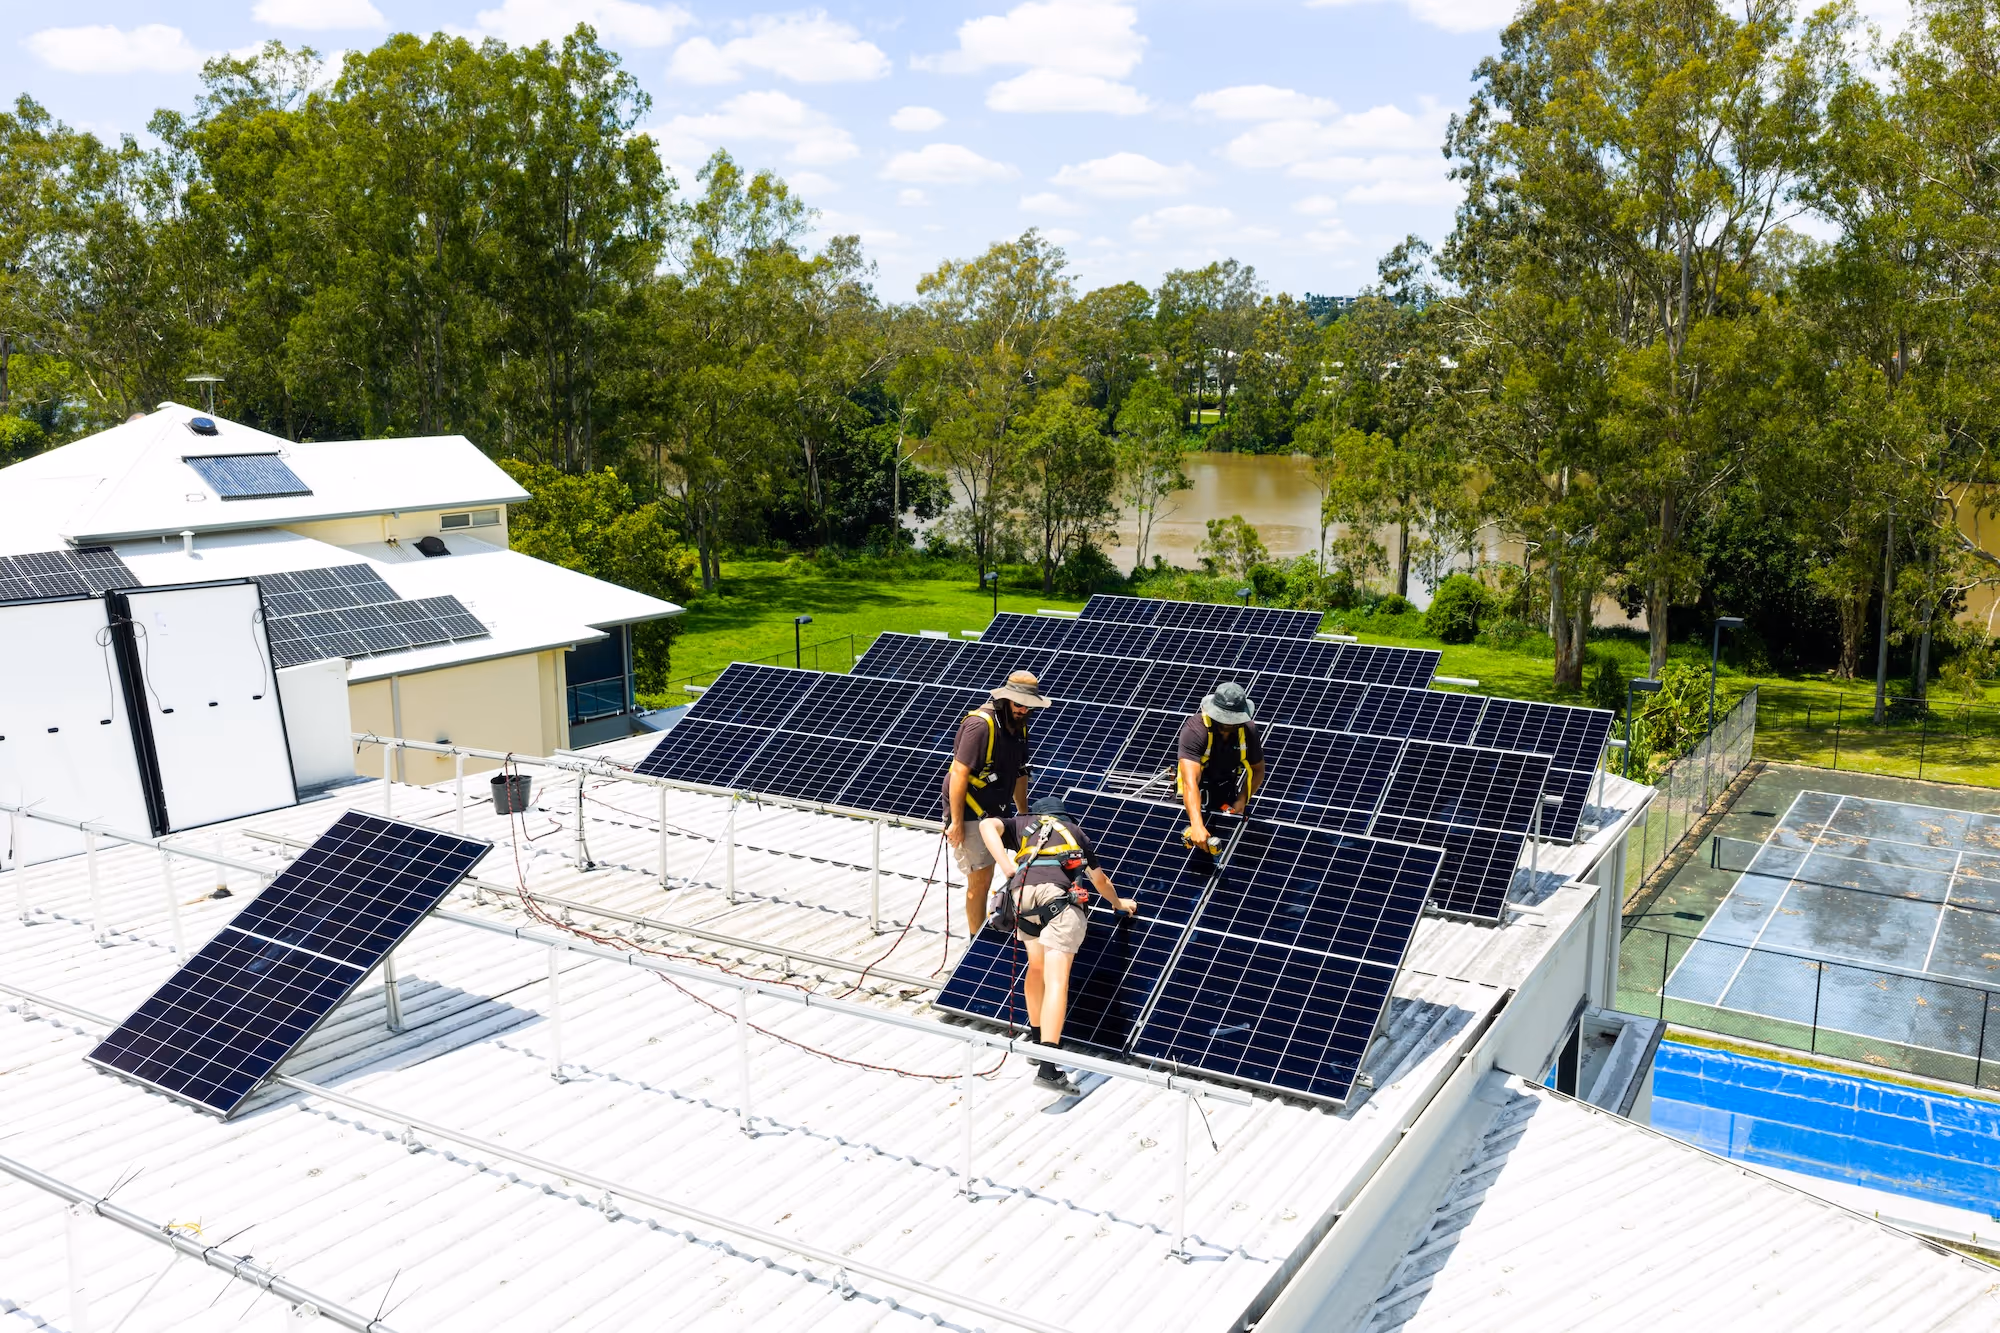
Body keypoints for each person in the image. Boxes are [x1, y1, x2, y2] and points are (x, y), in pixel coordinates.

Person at [978, 796, 1136, 1095]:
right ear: (1063, 816)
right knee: (1057, 981)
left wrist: (1007, 868)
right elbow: (1099, 880)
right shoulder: (1075, 832)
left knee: (1036, 969)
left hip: (1020, 898)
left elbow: (987, 824)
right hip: (1057, 900)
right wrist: (1118, 904)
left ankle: (1038, 1043)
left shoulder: (1023, 824)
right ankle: (1049, 1069)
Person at [944, 670, 1050, 935]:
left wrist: (1023, 815)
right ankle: (975, 938)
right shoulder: (981, 725)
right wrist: (956, 822)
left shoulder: (1019, 726)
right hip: (971, 813)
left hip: (998, 812)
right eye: (1018, 704)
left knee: (996, 874)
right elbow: (958, 773)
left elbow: (1019, 772)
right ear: (1005, 700)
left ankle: (985, 929)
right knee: (980, 880)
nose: (1023, 710)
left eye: (1028, 706)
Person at [1177, 681, 1266, 852]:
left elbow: (1258, 769)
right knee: (1192, 843)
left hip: (1225, 791)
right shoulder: (1195, 730)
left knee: (1229, 840)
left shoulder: (1248, 730)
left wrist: (1242, 799)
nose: (1229, 725)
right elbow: (1190, 784)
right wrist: (1196, 824)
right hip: (1194, 793)